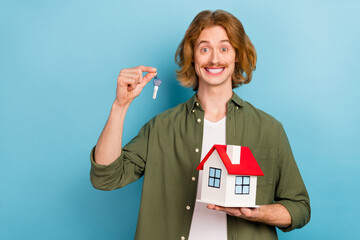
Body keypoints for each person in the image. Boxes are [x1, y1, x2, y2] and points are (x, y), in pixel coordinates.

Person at [90, 9, 310, 240]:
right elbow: (106, 177)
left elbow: (299, 208)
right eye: (205, 49)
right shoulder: (161, 128)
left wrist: (258, 213)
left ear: (237, 56)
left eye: (224, 48)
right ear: (193, 58)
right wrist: (120, 106)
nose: (215, 59)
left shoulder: (268, 129)